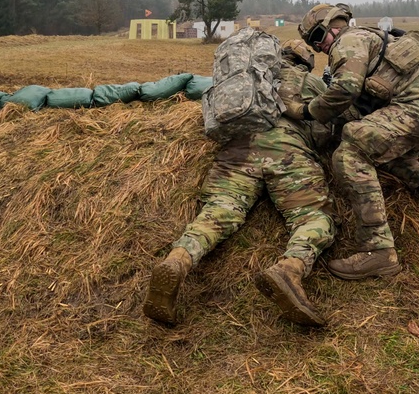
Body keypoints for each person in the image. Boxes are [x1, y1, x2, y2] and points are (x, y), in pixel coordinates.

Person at [144, 40, 336, 327]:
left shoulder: (244, 77)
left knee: (220, 211)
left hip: (237, 152)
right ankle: (290, 268)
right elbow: (330, 127)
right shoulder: (309, 81)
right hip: (287, 155)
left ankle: (178, 260)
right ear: (305, 61)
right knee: (314, 217)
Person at [286, 3, 419, 280]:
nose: (318, 47)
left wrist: (305, 111)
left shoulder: (347, 41)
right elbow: (359, 106)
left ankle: (378, 250)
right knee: (383, 153)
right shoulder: (374, 38)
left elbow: (344, 89)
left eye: (317, 37)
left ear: (331, 26)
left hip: (413, 110)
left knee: (349, 153)